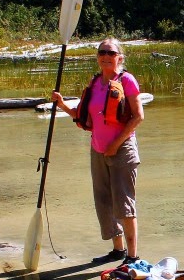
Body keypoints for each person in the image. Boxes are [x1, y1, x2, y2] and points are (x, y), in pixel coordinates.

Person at [51, 38, 145, 265]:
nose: (105, 56)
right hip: (98, 150)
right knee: (104, 202)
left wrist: (115, 144)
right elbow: (85, 117)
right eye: (102, 52)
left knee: (123, 203)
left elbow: (138, 116)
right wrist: (63, 105)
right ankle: (118, 250)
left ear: (119, 58)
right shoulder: (95, 83)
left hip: (122, 150)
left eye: (111, 53)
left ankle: (132, 257)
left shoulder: (127, 80)